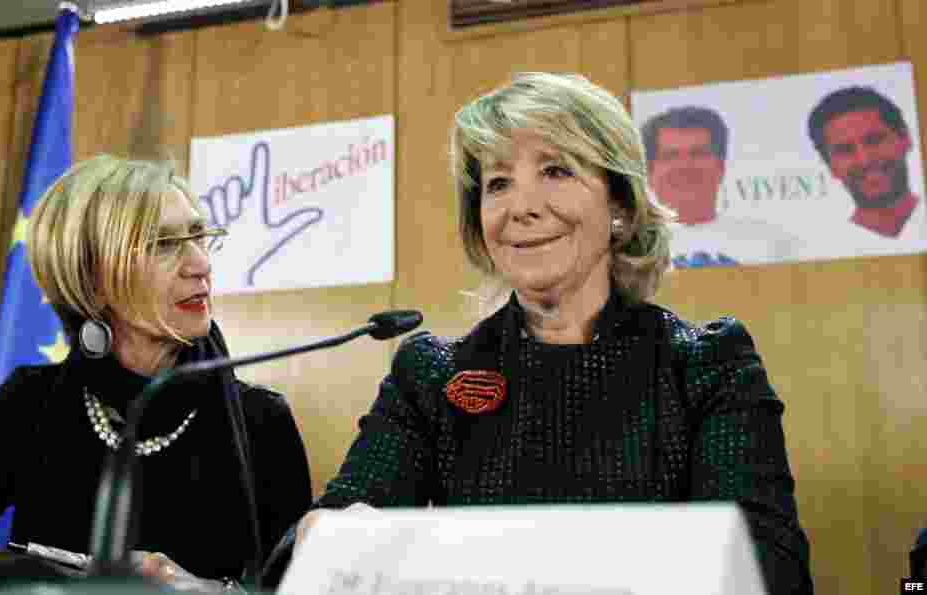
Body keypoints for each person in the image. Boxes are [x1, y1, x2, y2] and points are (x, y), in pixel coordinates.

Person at [283, 73, 813, 594]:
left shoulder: (706, 366)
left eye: (556, 171)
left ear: (622, 209)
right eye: (498, 183)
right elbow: (321, 541)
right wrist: (322, 539)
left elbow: (769, 568)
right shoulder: (432, 375)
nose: (522, 206)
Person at [0, 156, 311, 590]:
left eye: (197, 236)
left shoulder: (261, 419)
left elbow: (302, 589)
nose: (200, 264)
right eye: (163, 244)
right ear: (93, 279)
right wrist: (39, 580)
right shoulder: (27, 404)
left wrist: (205, 591)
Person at [642, 106, 804, 267]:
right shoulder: (630, 251)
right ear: (649, 173)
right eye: (670, 156)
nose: (685, 165)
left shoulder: (773, 245)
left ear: (720, 167)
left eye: (698, 154)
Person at [808, 86, 925, 242]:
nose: (865, 160)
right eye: (845, 150)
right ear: (830, 165)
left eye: (874, 141)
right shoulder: (825, 245)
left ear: (905, 138)